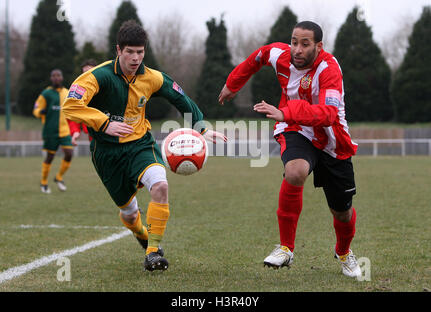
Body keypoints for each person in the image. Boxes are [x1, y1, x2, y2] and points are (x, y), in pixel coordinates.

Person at [63, 20, 226, 272]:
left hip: (141, 145)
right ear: (118, 50)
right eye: (130, 52)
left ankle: (153, 252)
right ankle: (141, 233)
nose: (135, 58)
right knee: (129, 213)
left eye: (140, 52)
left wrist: (202, 127)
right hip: (107, 154)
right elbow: (71, 106)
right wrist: (105, 124)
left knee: (160, 185)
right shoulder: (98, 76)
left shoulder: (153, 78)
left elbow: (182, 100)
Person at [218, 21, 361, 278]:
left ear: (319, 46)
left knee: (342, 211)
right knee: (295, 171)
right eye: (294, 41)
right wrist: (233, 83)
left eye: (305, 44)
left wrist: (284, 111)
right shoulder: (280, 56)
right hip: (295, 129)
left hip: (332, 142)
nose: (297, 49)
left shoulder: (329, 69)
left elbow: (328, 114)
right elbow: (257, 57)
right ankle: (286, 248)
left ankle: (344, 252)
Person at [33, 69, 74, 194]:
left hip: (64, 131)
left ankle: (59, 177)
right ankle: (44, 182)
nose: (56, 78)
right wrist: (40, 112)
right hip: (50, 131)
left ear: (62, 78)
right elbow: (36, 109)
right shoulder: (46, 93)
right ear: (51, 78)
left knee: (69, 153)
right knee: (50, 157)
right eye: (54, 76)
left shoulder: (67, 93)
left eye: (58, 76)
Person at [67, 59, 98, 146]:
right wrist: (75, 132)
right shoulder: (79, 90)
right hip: (93, 134)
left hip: (113, 131)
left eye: (91, 72)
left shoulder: (107, 86)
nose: (88, 76)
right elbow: (75, 111)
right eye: (85, 73)